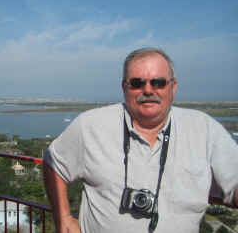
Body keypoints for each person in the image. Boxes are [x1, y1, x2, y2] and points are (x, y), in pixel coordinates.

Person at [43, 47, 238, 233]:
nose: (148, 90)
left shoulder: (204, 130)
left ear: (173, 87)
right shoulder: (91, 126)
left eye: (158, 82)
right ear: (124, 87)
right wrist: (64, 218)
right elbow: (54, 163)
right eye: (137, 83)